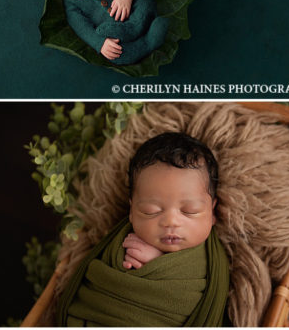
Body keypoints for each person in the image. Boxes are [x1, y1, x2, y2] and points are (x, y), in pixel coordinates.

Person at [56, 132, 229, 325]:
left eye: (189, 211)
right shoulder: (120, 245)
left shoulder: (213, 263)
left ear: (212, 212)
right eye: (151, 211)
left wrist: (158, 265)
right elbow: (96, 294)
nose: (171, 221)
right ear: (131, 211)